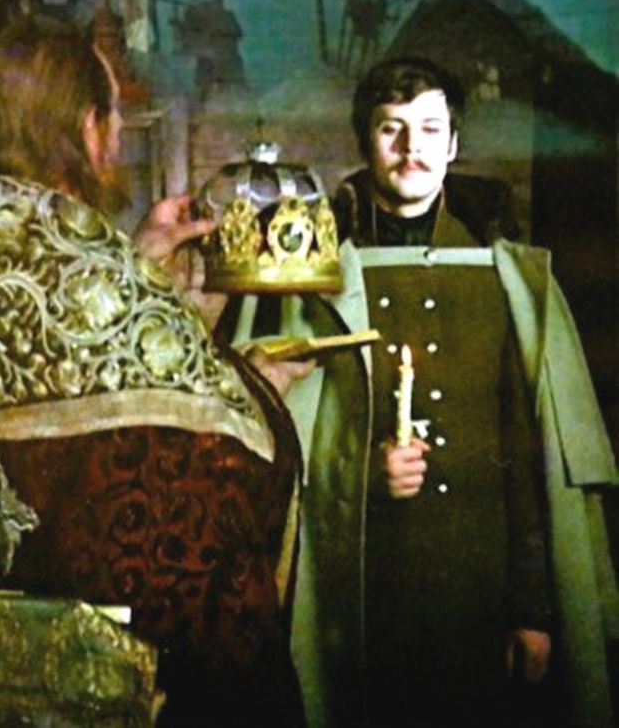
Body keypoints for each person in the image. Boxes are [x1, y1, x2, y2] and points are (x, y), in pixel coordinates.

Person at [0, 17, 305, 726]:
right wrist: (260, 386)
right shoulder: (95, 276)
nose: (118, 133)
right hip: (103, 666)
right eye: (112, 113)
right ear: (87, 126)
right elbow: (206, 461)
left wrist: (138, 265)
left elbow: (55, 358)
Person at [216, 56, 617, 727]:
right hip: (359, 590)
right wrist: (361, 471)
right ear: (364, 141)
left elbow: (529, 454)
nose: (412, 149)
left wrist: (533, 609)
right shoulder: (309, 273)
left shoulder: (505, 274)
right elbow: (272, 438)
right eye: (391, 129)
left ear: (454, 144)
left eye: (431, 129)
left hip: (480, 589)